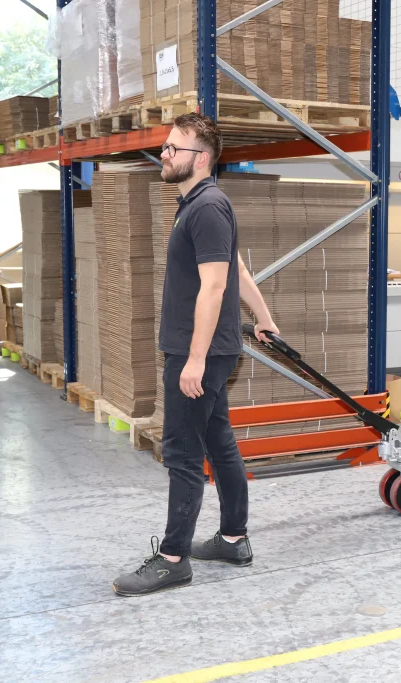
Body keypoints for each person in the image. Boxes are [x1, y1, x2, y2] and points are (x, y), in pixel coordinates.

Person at [113, 112, 279, 596]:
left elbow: (215, 286)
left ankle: (172, 559)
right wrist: (264, 318)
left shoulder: (206, 206)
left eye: (173, 148)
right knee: (218, 442)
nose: (164, 154)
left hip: (199, 352)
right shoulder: (202, 205)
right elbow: (240, 270)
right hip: (209, 350)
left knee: (183, 453)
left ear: (200, 159)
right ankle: (232, 538)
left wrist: (195, 359)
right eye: (165, 147)